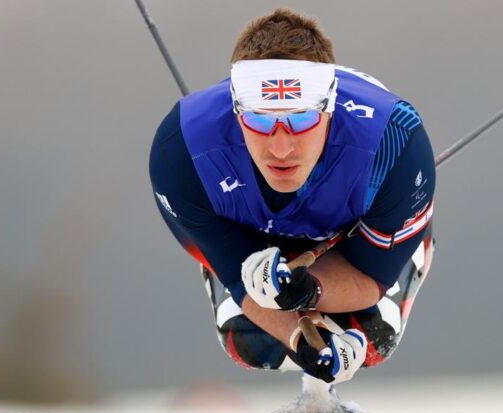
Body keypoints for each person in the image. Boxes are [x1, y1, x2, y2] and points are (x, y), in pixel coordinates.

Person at [149, 8, 435, 384]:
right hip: (253, 237)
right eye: (259, 119)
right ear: (236, 111)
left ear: (329, 109)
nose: (281, 149)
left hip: (355, 239)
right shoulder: (182, 152)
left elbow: (370, 279)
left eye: (301, 120)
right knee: (250, 342)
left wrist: (312, 291)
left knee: (372, 336)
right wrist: (301, 339)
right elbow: (238, 275)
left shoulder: (395, 147)